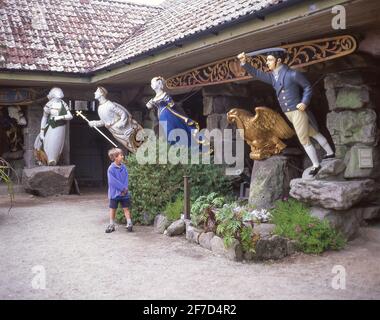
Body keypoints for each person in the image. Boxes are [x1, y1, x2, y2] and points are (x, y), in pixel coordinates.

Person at [237, 48, 335, 176]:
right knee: (313, 132)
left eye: (270, 60)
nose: (267, 63)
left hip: (297, 111)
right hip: (288, 113)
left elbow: (307, 87)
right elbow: (257, 74)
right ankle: (330, 153)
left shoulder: (292, 74)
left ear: (278, 60)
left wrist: (304, 102)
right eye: (267, 60)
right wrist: (245, 63)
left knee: (303, 139)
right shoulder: (274, 77)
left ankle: (316, 165)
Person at [146, 76, 202, 147]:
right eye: (151, 83)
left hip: (168, 115)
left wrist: (166, 100)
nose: (152, 85)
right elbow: (148, 106)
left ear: (159, 83)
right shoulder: (154, 98)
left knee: (172, 132)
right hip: (161, 117)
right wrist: (151, 104)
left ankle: (182, 147)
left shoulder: (164, 95)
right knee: (165, 134)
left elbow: (172, 104)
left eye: (153, 82)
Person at [89, 87, 144, 154]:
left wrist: (121, 123)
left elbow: (123, 113)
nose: (94, 93)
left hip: (124, 128)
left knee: (137, 142)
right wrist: (94, 123)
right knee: (131, 146)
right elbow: (104, 121)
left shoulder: (109, 105)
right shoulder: (100, 107)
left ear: (101, 93)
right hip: (115, 131)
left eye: (96, 92)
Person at [34, 87, 73, 166]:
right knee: (49, 141)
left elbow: (70, 116)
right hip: (52, 126)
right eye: (57, 97)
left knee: (57, 143)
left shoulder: (63, 103)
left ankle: (54, 159)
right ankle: (46, 159)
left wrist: (60, 117)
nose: (59, 98)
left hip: (61, 127)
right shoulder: (49, 104)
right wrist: (41, 132)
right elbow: (44, 118)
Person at [106, 147, 133, 233]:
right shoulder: (111, 169)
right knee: (113, 209)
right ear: (115, 157)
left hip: (124, 193)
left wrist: (125, 189)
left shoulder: (124, 167)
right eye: (121, 155)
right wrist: (122, 189)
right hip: (114, 194)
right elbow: (112, 181)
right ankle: (111, 224)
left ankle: (129, 223)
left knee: (126, 208)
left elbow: (126, 179)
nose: (122, 156)